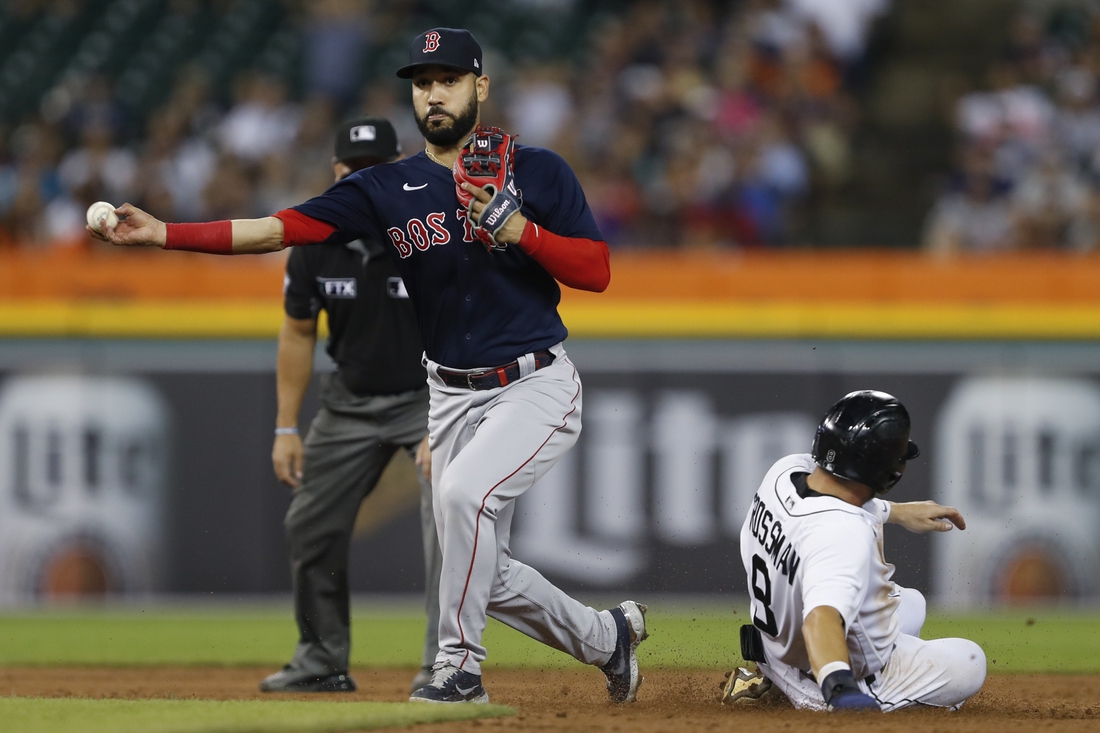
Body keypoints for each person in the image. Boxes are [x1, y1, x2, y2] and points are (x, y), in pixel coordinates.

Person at [88, 27, 648, 706]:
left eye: (448, 78)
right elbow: (274, 229)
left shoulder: (537, 171)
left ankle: (458, 668)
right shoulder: (387, 188)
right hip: (446, 394)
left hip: (533, 382)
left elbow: (598, 271)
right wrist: (164, 234)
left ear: (481, 87)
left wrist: (519, 230)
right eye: (422, 81)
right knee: (478, 567)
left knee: (462, 499)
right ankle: (606, 637)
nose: (434, 93)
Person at [260, 116, 441, 694]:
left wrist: (451, 413)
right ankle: (320, 659)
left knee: (449, 516)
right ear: (336, 174)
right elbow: (296, 332)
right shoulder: (315, 239)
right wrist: (287, 425)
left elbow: (465, 323)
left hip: (429, 397)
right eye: (351, 171)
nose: (361, 181)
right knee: (308, 523)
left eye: (374, 171)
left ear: (396, 174)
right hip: (351, 400)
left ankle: (447, 663)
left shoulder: (428, 232)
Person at [723, 390, 986, 712]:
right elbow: (822, 618)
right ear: (887, 470)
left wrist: (897, 512)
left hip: (772, 649)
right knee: (970, 661)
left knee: (912, 604)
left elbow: (833, 493)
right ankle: (848, 695)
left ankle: (771, 683)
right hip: (821, 677)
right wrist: (840, 688)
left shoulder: (784, 473)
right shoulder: (843, 533)